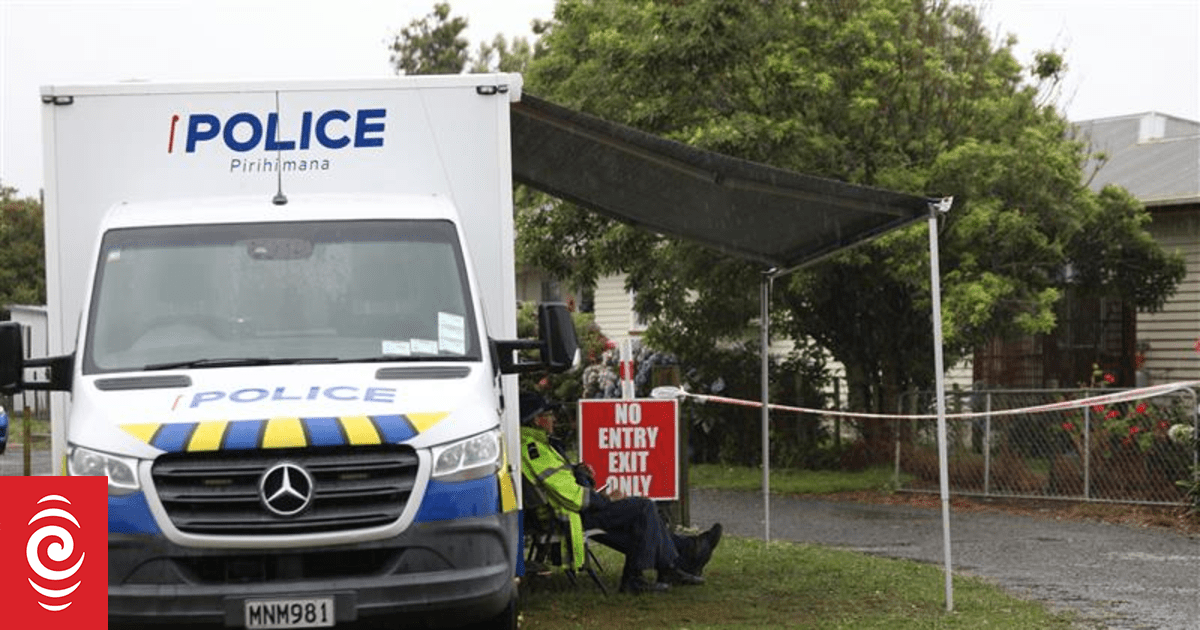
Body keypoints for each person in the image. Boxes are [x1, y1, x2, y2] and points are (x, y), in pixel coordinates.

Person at [518, 391, 722, 594]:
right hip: (571, 516)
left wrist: (576, 471)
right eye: (548, 414)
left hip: (571, 513)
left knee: (642, 517)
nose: (553, 418)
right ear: (536, 420)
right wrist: (605, 499)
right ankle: (650, 572)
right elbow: (571, 496)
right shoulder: (534, 449)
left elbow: (559, 483)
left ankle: (673, 564)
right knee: (643, 507)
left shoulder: (538, 445)